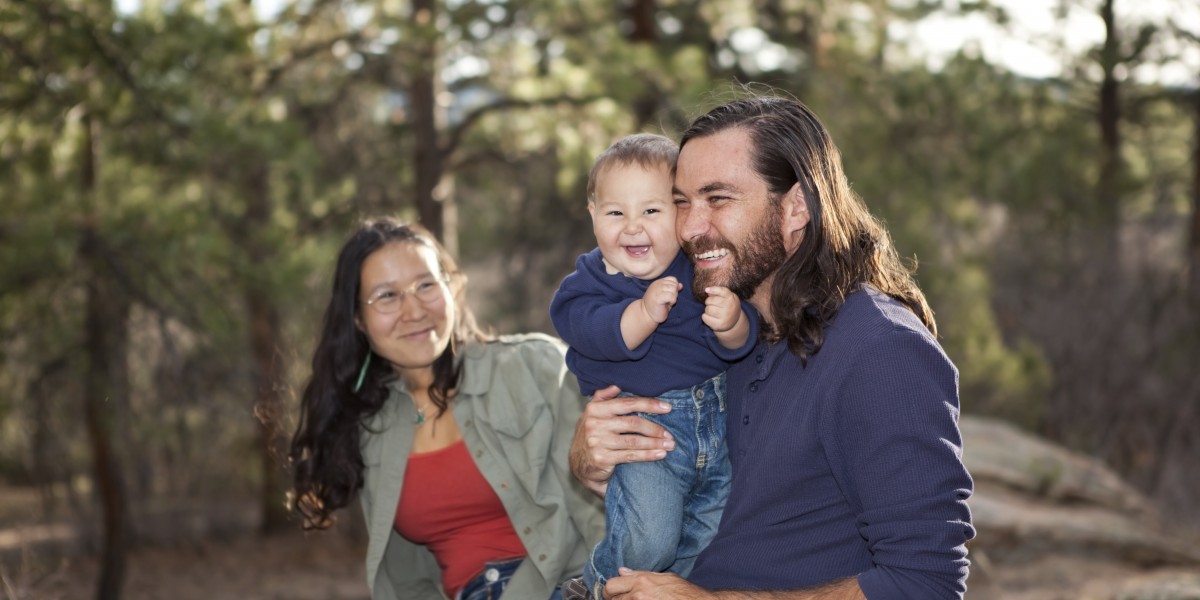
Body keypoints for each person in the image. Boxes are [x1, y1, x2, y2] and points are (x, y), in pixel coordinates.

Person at [569, 94, 976, 599]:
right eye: (681, 201)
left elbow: (926, 583)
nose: (691, 227)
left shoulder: (880, 351)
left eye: (718, 199)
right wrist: (595, 459)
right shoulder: (716, 326)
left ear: (796, 208)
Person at [289, 217, 604, 600]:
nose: (414, 310)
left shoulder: (534, 367)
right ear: (358, 319)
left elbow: (601, 512)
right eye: (387, 296)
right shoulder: (370, 429)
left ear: (450, 288)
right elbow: (406, 581)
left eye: (425, 285)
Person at [549, 134, 759, 599]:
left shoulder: (698, 270)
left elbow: (740, 344)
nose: (631, 227)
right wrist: (643, 313)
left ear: (681, 216)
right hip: (646, 432)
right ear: (593, 216)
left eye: (651, 211)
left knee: (706, 538)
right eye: (615, 212)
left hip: (716, 428)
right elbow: (598, 333)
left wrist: (731, 324)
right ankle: (600, 586)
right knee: (651, 536)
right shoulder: (588, 283)